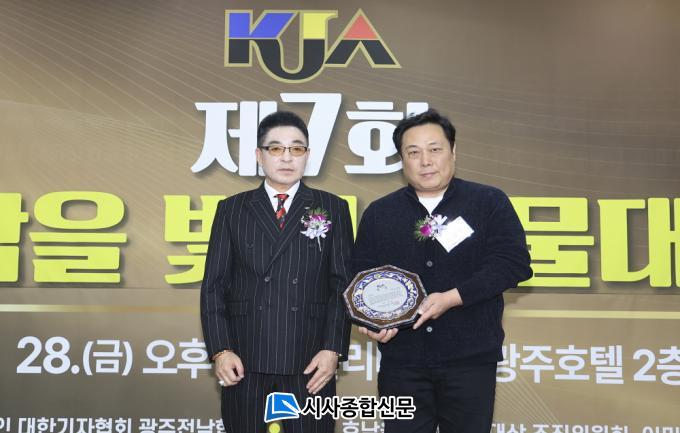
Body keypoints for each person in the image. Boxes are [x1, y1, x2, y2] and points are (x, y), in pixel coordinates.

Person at [352, 109, 533, 433]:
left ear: (453, 151)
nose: (426, 161)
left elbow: (513, 262)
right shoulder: (381, 213)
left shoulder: (488, 202)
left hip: (470, 360)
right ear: (401, 160)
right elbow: (361, 278)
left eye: (434, 149)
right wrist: (371, 321)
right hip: (402, 362)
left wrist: (454, 297)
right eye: (413, 152)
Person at [200, 111, 353, 433]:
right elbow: (214, 286)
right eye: (276, 148)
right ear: (259, 155)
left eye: (296, 149)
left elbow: (342, 286)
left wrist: (333, 349)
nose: (286, 157)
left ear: (307, 155)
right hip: (245, 357)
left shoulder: (333, 207)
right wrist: (221, 350)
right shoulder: (232, 209)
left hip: (310, 359)